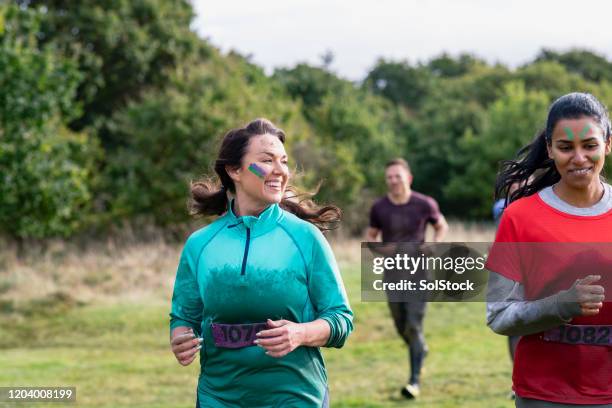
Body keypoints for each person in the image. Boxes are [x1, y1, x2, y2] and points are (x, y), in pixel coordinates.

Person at [169, 118, 353, 407]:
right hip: (218, 397)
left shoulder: (305, 238)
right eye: (267, 161)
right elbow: (184, 317)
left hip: (295, 397)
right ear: (234, 170)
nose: (281, 171)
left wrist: (299, 333)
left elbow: (341, 319)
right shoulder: (200, 245)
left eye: (284, 161)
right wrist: (181, 339)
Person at [486, 92, 612, 407]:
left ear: (608, 144)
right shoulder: (520, 218)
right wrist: (560, 305)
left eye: (590, 145)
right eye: (566, 147)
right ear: (550, 149)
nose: (579, 157)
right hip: (544, 396)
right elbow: (498, 316)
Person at [366, 158, 448, 399]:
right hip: (392, 273)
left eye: (397, 176)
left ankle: (414, 382)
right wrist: (383, 249)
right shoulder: (379, 207)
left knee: (413, 324)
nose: (393, 181)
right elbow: (371, 238)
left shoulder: (424, 204)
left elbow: (441, 225)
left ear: (408, 178)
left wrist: (434, 244)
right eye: (389, 177)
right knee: (401, 325)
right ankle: (420, 348)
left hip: (419, 272)